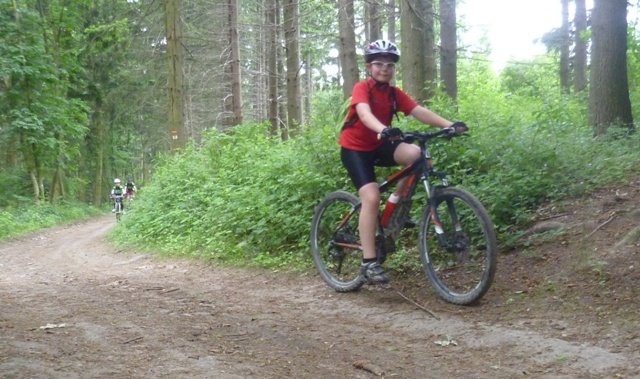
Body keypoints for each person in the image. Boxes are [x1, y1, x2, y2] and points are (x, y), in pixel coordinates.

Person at [338, 39, 468, 284]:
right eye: (378, 64)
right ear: (369, 67)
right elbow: (364, 114)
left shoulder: (394, 94)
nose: (384, 69)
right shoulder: (362, 88)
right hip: (355, 149)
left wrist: (449, 124)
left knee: (419, 157)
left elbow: (419, 111)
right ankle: (369, 262)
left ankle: (397, 206)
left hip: (380, 144)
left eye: (389, 65)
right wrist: (383, 129)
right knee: (371, 197)